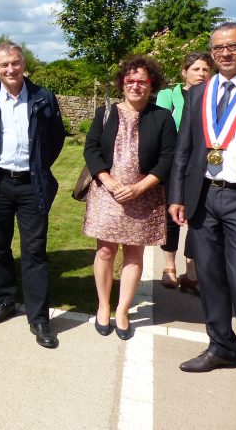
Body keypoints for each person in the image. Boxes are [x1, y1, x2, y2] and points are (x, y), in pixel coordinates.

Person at [169, 22, 236, 378]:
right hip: (204, 196)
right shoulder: (199, 93)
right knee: (210, 276)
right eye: (217, 48)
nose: (224, 53)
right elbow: (184, 149)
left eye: (232, 46)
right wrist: (177, 196)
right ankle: (221, 346)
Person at [0, 41, 65, 348]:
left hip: (31, 184)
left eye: (15, 62)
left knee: (35, 252)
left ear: (23, 63)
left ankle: (39, 317)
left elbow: (55, 140)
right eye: (4, 65)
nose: (10, 69)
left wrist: (37, 165)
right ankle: (4, 300)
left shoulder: (43, 98)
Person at [83, 56, 176, 340]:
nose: (136, 86)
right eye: (130, 80)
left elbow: (167, 158)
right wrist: (110, 182)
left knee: (134, 253)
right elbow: (91, 150)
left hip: (144, 196)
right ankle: (103, 306)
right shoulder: (105, 113)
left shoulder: (161, 117)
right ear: (122, 83)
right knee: (105, 252)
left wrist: (139, 188)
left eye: (142, 82)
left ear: (152, 85)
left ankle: (122, 310)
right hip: (107, 194)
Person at [155, 52, 213, 293]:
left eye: (206, 70)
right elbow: (160, 128)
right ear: (184, 72)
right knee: (172, 217)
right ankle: (169, 267)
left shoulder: (212, 96)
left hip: (201, 165)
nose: (201, 74)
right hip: (174, 165)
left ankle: (191, 271)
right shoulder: (169, 95)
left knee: (197, 219)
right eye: (196, 69)